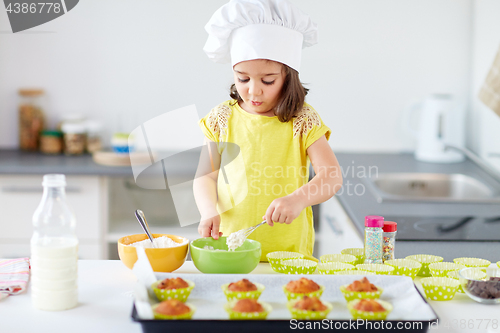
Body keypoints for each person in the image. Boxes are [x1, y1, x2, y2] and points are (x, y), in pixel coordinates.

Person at [193, 0, 342, 261]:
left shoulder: (302, 120)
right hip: (232, 249)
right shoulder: (221, 118)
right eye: (242, 78)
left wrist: (298, 200)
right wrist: (208, 210)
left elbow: (331, 178)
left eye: (268, 80)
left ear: (288, 76)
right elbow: (205, 177)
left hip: (288, 254)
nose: (253, 90)